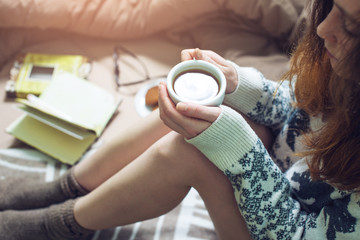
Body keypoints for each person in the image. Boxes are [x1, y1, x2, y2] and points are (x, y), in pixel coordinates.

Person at [1, 0, 360, 239]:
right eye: (330, 7)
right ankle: (63, 191)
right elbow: (296, 109)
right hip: (283, 177)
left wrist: (240, 149)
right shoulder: (340, 71)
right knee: (214, 109)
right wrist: (236, 83)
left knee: (195, 152)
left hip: (285, 227)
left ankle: (57, 226)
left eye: (352, 26)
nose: (322, 28)